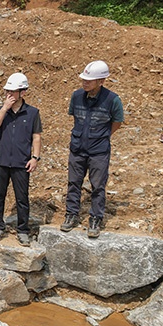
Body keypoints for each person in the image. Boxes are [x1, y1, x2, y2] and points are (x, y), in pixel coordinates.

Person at [60, 61, 124, 238]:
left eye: (89, 80)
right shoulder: (76, 96)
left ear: (101, 81)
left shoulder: (112, 100)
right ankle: (71, 214)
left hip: (99, 152)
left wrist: (102, 137)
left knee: (98, 186)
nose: (85, 83)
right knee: (74, 183)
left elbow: (117, 122)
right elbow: (75, 117)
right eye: (83, 79)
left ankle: (95, 218)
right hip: (77, 149)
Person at [0, 73, 42, 246]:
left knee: (22, 197)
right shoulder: (1, 110)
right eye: (7, 91)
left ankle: (23, 230)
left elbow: (36, 137)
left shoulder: (32, 113)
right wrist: (4, 108)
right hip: (1, 160)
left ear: (23, 92)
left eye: (13, 91)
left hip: (21, 162)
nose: (9, 95)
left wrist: (35, 157)